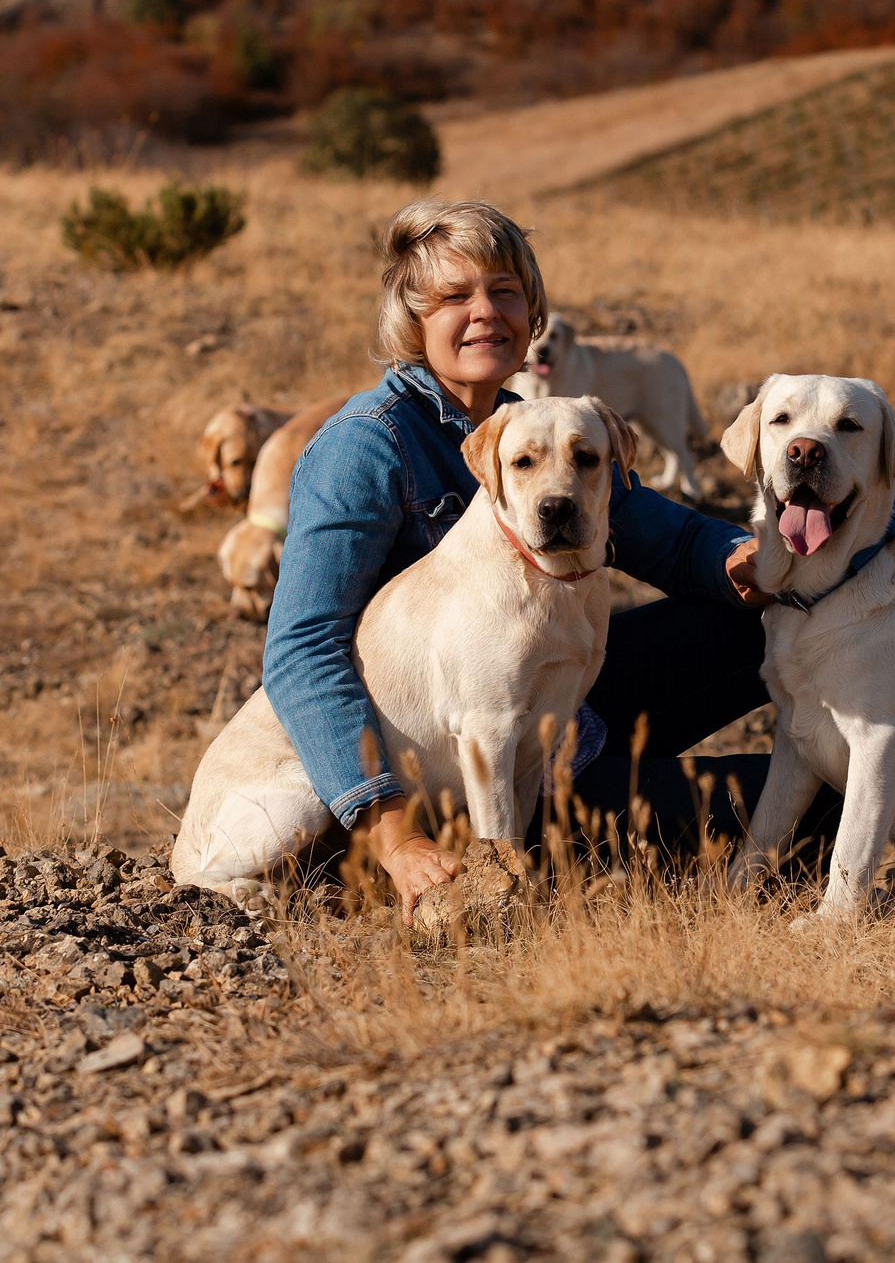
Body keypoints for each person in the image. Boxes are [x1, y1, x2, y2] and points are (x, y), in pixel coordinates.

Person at [261, 197, 821, 921]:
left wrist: (745, 558)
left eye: (505, 291)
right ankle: (549, 854)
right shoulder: (366, 446)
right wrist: (391, 828)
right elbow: (301, 649)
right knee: (799, 804)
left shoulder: (547, 423)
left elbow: (669, 537)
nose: (486, 311)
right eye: (455, 296)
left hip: (564, 703)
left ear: (533, 311)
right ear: (412, 319)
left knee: (764, 618)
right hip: (459, 768)